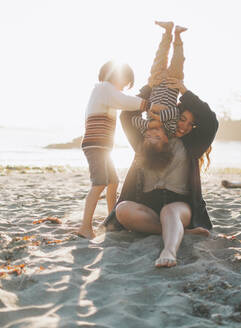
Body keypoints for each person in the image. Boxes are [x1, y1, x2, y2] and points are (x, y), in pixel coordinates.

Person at [103, 59, 218, 268]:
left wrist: (184, 90)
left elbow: (211, 121)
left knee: (170, 212)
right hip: (146, 205)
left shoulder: (190, 145)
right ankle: (182, 231)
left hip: (179, 204)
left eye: (190, 123)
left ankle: (169, 250)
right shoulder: (145, 139)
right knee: (122, 210)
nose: (184, 126)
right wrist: (149, 87)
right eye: (182, 119)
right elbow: (127, 114)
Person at [77, 61, 166, 239]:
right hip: (95, 145)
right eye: (125, 82)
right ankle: (85, 227)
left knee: (113, 182)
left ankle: (112, 219)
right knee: (99, 183)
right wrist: (148, 105)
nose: (124, 87)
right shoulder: (103, 88)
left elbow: (123, 101)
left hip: (103, 147)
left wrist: (147, 91)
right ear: (116, 76)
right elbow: (124, 101)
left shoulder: (107, 92)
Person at [131, 21, 187, 137]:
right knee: (178, 59)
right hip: (173, 82)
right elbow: (175, 112)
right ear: (165, 139)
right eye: (157, 137)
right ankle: (177, 35)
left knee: (160, 56)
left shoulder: (146, 127)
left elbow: (134, 120)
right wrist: (159, 118)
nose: (154, 133)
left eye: (150, 135)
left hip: (156, 82)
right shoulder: (169, 130)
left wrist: (149, 125)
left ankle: (167, 31)